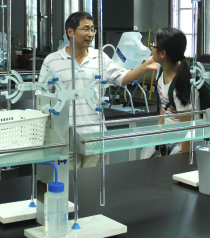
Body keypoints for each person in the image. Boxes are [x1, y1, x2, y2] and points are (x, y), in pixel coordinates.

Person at [39, 12, 156, 168]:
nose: (91, 34)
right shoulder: (52, 60)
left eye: (92, 29)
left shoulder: (100, 58)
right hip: (63, 136)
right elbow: (41, 96)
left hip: (94, 134)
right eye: (86, 29)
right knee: (67, 181)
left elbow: (122, 78)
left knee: (92, 181)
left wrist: (144, 67)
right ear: (70, 31)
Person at [142, 27, 199, 158]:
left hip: (181, 144)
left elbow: (187, 130)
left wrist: (184, 162)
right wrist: (157, 135)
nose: (152, 48)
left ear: (163, 54)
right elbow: (165, 105)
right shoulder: (161, 69)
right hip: (167, 138)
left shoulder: (180, 86)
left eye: (154, 45)